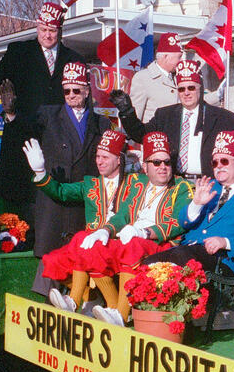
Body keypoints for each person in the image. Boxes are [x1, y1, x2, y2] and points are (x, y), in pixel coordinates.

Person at [0, 3, 85, 203]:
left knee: (53, 193)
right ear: (37, 26)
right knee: (17, 193)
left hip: (57, 136)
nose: (47, 35)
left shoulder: (73, 58)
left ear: (60, 30)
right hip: (22, 132)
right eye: (43, 30)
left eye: (52, 31)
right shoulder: (20, 52)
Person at [75, 132, 194, 326]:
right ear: (145, 167)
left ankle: (120, 316)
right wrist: (105, 230)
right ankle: (107, 305)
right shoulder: (139, 185)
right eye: (156, 163)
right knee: (92, 245)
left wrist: (144, 232)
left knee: (133, 245)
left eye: (167, 162)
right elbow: (122, 215)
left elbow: (179, 222)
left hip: (160, 244)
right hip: (130, 240)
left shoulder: (181, 187)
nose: (163, 167)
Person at [23, 130, 135, 314]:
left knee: (84, 245)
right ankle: (88, 296)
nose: (99, 161)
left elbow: (127, 213)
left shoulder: (134, 182)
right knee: (52, 260)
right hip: (90, 243)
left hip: (116, 242)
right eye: (98, 156)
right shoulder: (91, 183)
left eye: (105, 157)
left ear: (119, 159)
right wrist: (40, 171)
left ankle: (105, 305)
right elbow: (61, 191)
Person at [143, 130, 234, 276]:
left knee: (178, 261)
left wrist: (225, 242)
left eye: (224, 161)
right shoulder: (208, 186)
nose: (219, 166)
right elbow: (184, 223)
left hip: (223, 261)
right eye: (214, 162)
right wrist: (196, 204)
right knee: (148, 265)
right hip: (188, 251)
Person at [17, 62, 111, 261]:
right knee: (50, 261)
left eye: (76, 90)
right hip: (53, 200)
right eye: (66, 90)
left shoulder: (101, 122)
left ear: (86, 91)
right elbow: (26, 128)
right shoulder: (48, 115)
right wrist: (11, 116)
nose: (70, 95)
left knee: (83, 259)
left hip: (82, 201)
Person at [111, 60, 234, 181]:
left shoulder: (224, 118)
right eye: (181, 89)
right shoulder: (165, 115)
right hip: (176, 184)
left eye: (191, 88)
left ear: (200, 88)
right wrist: (127, 111)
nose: (186, 93)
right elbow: (141, 135)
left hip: (209, 183)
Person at [128, 33, 183, 123]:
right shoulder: (143, 78)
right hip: (153, 134)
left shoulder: (179, 77)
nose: (181, 61)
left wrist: (215, 95)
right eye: (179, 57)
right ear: (166, 57)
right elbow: (134, 118)